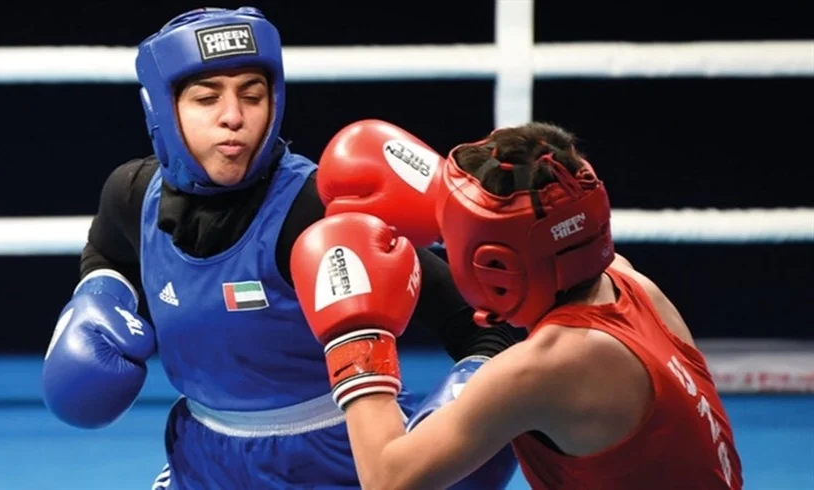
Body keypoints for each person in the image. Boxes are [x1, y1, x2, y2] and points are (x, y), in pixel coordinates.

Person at [39, 7, 518, 490]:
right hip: (201, 459)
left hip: (339, 460)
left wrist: (464, 405)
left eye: (252, 95)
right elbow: (109, 253)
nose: (233, 117)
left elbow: (482, 322)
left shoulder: (316, 212)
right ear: (163, 109)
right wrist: (100, 295)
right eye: (207, 98)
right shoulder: (132, 194)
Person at [290, 121, 745, 489]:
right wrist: (456, 209)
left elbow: (388, 479)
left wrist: (356, 336)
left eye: (454, 241)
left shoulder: (548, 366)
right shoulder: (630, 283)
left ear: (495, 265)